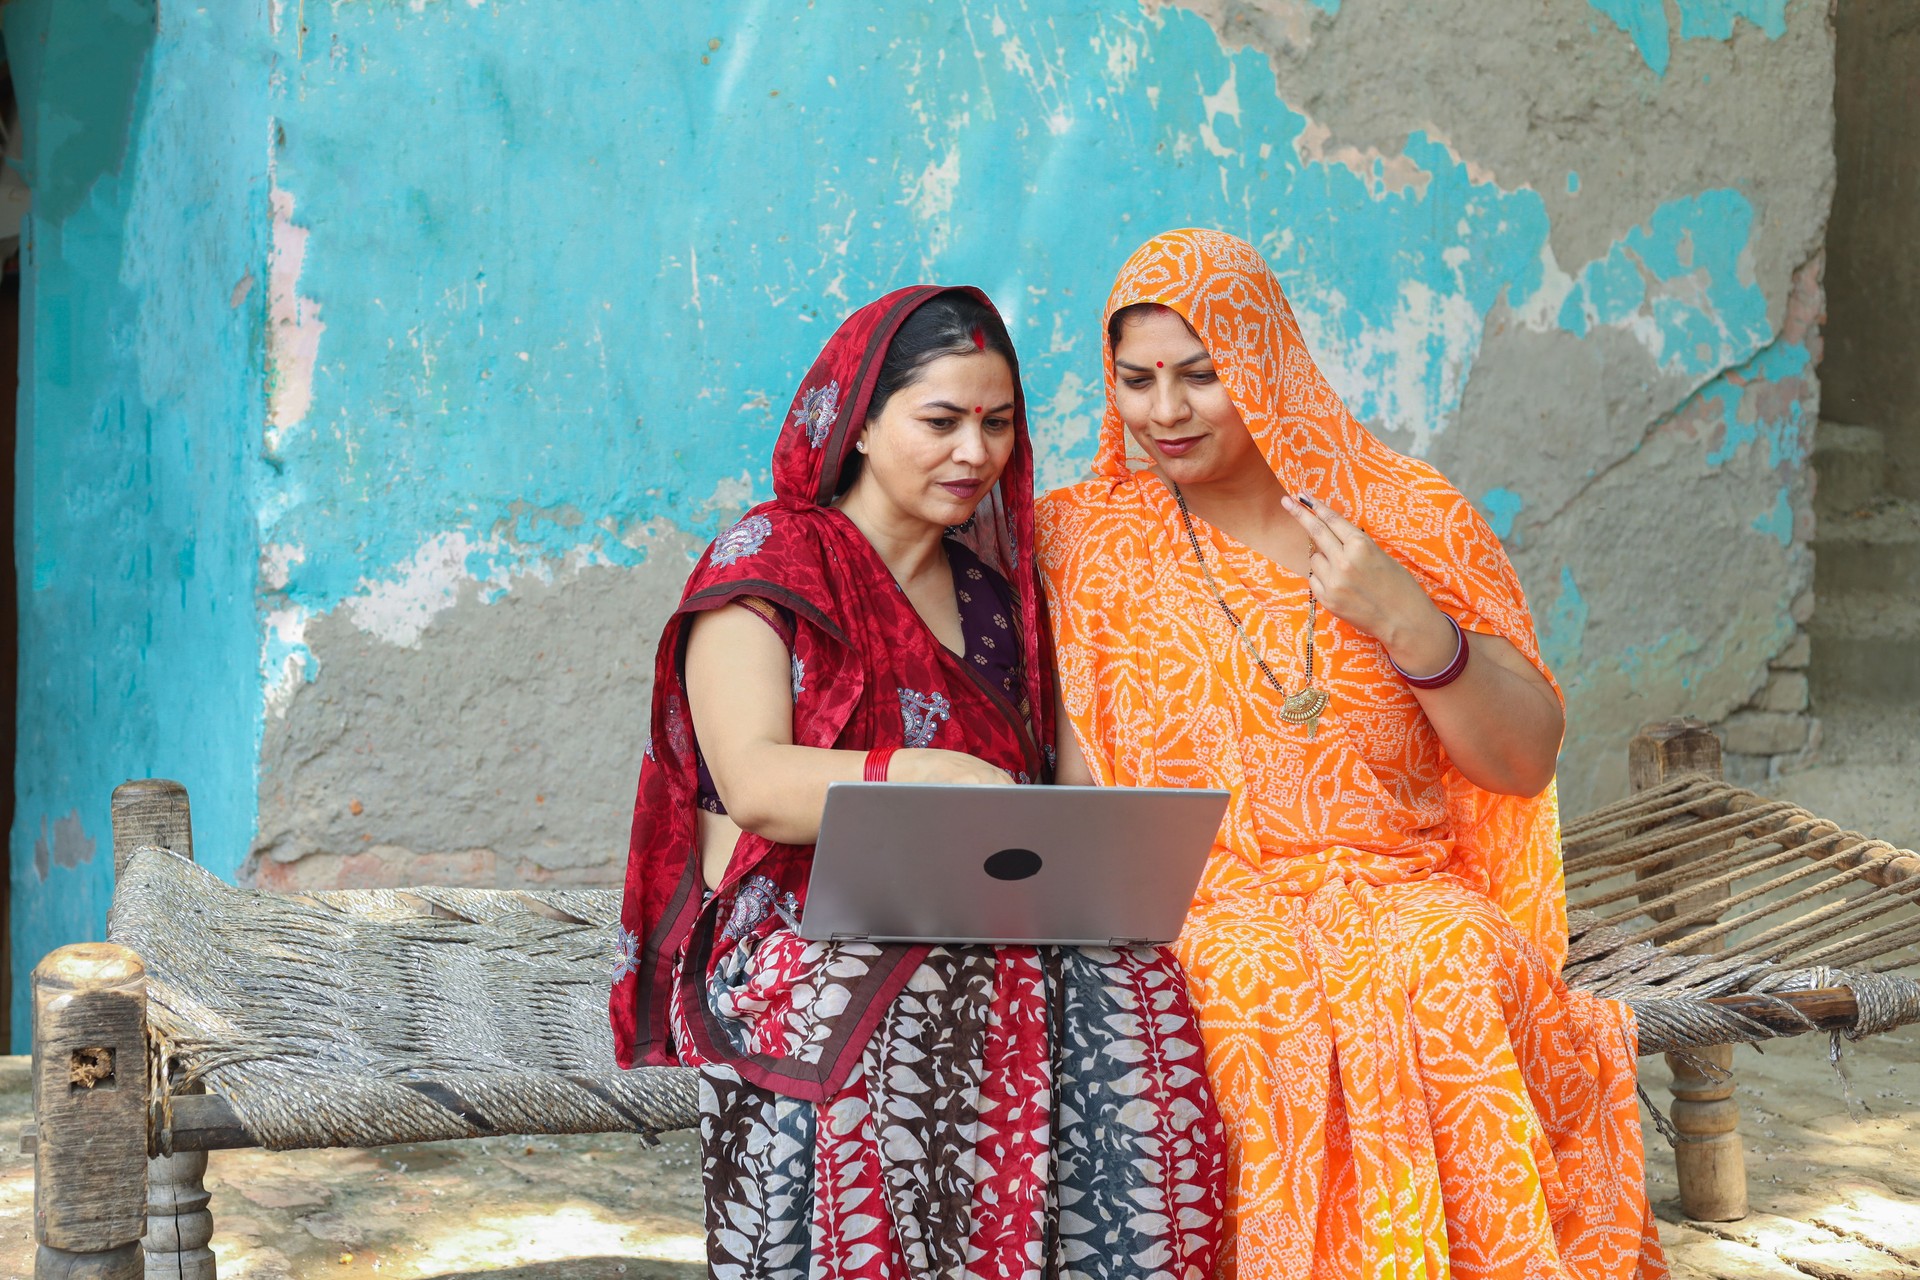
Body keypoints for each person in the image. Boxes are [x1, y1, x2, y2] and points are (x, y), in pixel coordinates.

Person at [1036, 230, 1666, 1280]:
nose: (1166, 411)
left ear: (1266, 362)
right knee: (1245, 988)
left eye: (1202, 374)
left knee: (1452, 969)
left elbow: (1525, 759)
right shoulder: (1086, 541)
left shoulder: (1406, 515)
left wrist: (1409, 620)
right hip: (1200, 899)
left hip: (1407, 887)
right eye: (1136, 381)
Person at [611, 285, 1226, 1280]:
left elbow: (1053, 787)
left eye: (997, 424)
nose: (974, 453)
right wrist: (923, 771)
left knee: (1134, 981)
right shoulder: (767, 568)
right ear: (858, 426)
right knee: (903, 981)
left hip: (980, 911)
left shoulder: (996, 600)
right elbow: (756, 781)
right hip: (789, 932)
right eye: (940, 420)